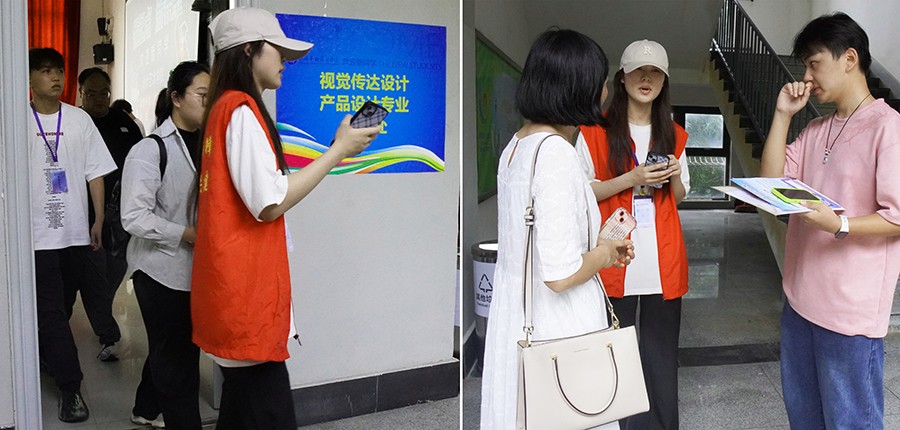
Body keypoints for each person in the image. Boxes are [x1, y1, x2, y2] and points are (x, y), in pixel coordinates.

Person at [190, 8, 381, 429]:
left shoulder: (223, 109)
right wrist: (338, 151)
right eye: (278, 51)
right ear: (248, 51)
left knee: (240, 413)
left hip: (230, 291)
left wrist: (337, 147)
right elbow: (269, 201)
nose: (285, 61)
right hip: (245, 296)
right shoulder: (240, 110)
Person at [479, 28, 634, 429]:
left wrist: (599, 246)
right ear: (579, 86)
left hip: (518, 313)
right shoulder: (557, 154)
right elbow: (560, 275)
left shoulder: (516, 146)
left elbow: (539, 242)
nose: (605, 89)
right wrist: (604, 253)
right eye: (601, 79)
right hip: (558, 325)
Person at [759, 13, 900, 429]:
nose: (806, 76)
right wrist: (783, 115)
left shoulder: (889, 128)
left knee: (850, 422)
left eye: (814, 63)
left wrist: (840, 225)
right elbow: (770, 184)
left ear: (849, 59)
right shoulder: (816, 129)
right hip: (799, 301)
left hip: (849, 314)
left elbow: (897, 216)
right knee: (804, 419)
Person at [576, 39, 690, 430]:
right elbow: (582, 192)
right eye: (638, 70)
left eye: (655, 72)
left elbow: (678, 197)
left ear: (664, 81)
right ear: (622, 78)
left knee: (661, 357)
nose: (647, 78)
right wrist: (632, 177)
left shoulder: (675, 134)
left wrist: (674, 176)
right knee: (613, 355)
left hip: (662, 260)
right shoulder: (594, 131)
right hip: (613, 257)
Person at [28, 47, 117, 423]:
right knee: (51, 311)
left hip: (76, 233)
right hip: (37, 237)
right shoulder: (19, 120)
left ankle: (48, 355)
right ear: (29, 78)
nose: (55, 77)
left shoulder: (79, 120)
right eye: (45, 71)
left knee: (62, 309)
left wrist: (98, 220)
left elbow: (95, 172)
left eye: (59, 70)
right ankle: (71, 389)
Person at [122, 61, 210, 430]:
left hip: (193, 267)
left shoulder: (209, 143)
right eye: (202, 95)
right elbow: (133, 217)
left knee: (171, 346)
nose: (208, 102)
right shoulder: (150, 149)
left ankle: (145, 407)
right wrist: (186, 233)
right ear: (176, 98)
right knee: (178, 360)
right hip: (158, 270)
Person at [72, 67, 143, 362]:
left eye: (104, 93)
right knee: (93, 274)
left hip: (121, 212)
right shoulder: (75, 124)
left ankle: (101, 312)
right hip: (84, 212)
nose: (99, 98)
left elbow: (140, 163)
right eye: (92, 93)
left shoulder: (124, 124)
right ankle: (107, 333)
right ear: (80, 93)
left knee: (115, 269)